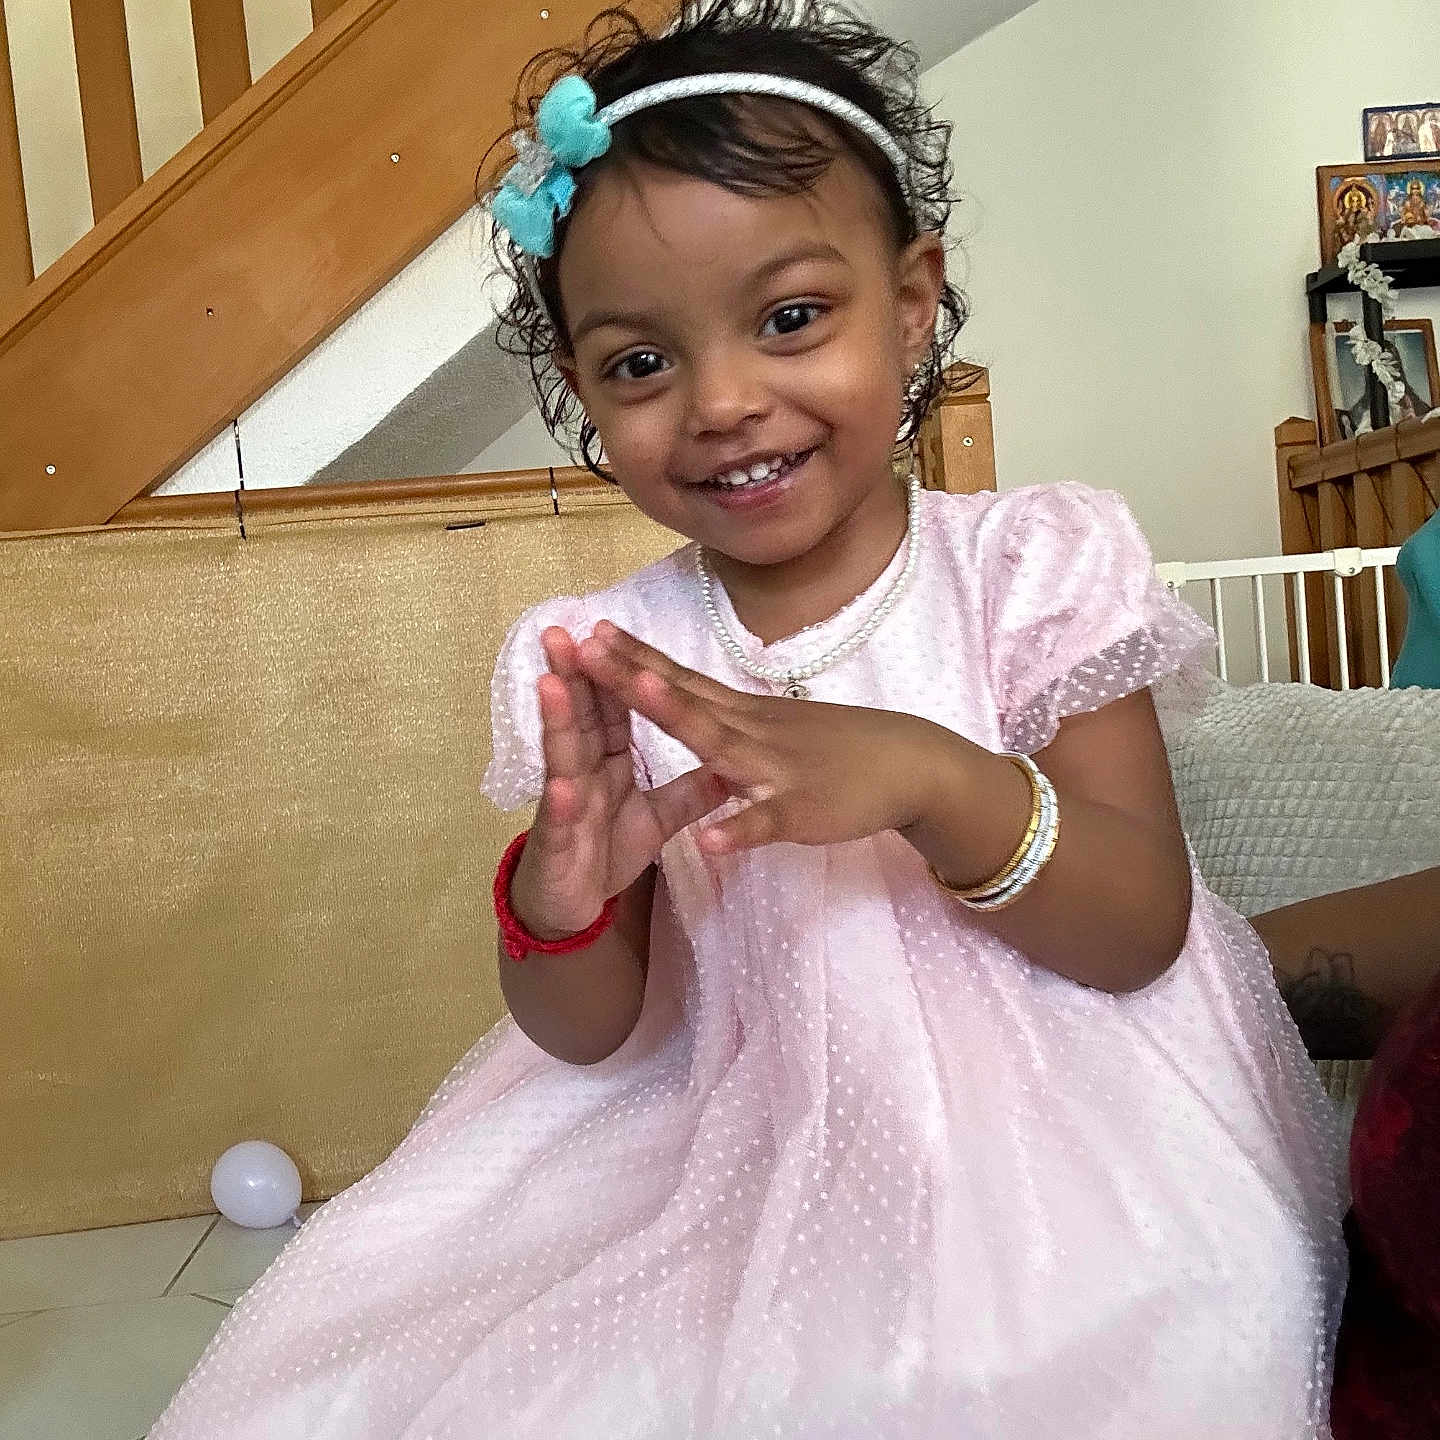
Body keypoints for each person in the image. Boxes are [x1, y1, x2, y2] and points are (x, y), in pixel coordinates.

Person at [149, 3, 1345, 1435]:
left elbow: (1138, 921)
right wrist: (563, 901)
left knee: (1126, 1348)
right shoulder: (608, 654)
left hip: (1059, 1126)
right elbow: (589, 1036)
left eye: (789, 319)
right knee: (467, 1374)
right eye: (640, 363)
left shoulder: (1028, 568)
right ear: (584, 392)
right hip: (727, 1127)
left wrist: (927, 777)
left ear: (911, 302)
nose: (720, 402)